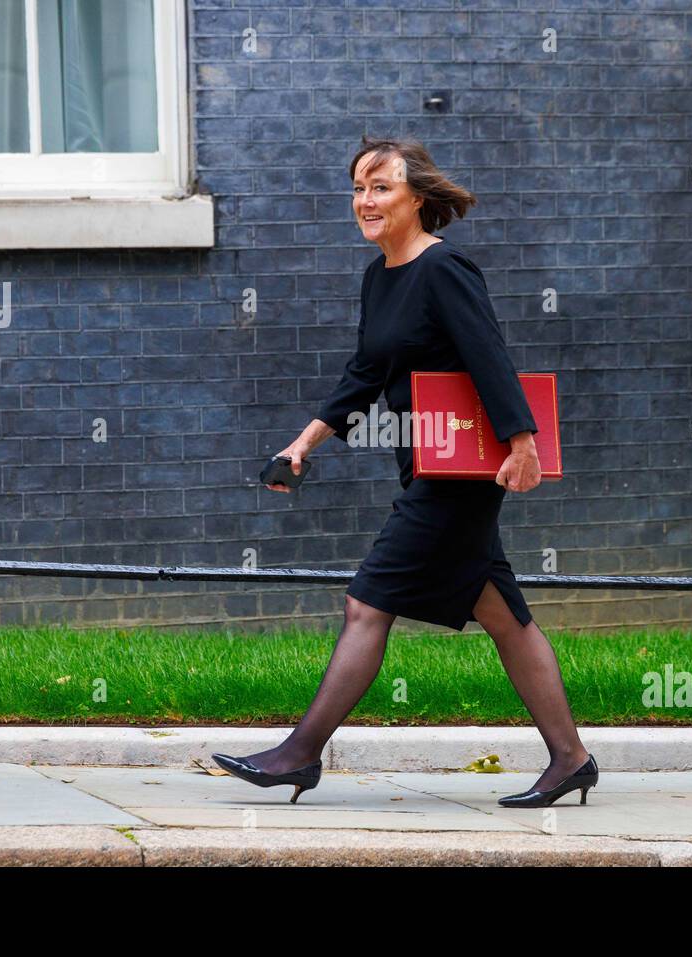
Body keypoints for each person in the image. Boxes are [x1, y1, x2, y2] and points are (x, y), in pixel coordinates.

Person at [212, 135, 597, 808]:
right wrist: (305, 443)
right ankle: (571, 758)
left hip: (460, 474)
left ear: (416, 197)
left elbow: (489, 357)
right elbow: (365, 373)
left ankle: (300, 753)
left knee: (367, 602)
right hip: (425, 462)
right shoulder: (379, 275)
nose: (366, 200)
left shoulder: (444, 270)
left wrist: (523, 442)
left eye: (381, 187)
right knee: (503, 613)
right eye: (359, 188)